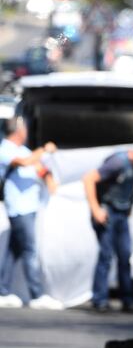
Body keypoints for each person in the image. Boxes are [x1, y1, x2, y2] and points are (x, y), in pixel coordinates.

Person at [83, 141, 133, 312]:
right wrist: (96, 209)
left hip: (122, 212)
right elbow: (89, 179)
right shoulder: (118, 162)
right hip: (107, 210)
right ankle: (100, 299)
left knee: (125, 256)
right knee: (106, 255)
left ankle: (128, 299)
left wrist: (130, 203)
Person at [0, 116, 62, 310]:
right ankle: (37, 294)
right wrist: (44, 150)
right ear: (18, 129)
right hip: (19, 208)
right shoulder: (5, 149)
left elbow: (38, 167)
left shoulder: (24, 150)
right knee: (29, 250)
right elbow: (25, 162)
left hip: (30, 207)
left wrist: (48, 177)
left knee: (14, 251)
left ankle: (2, 291)